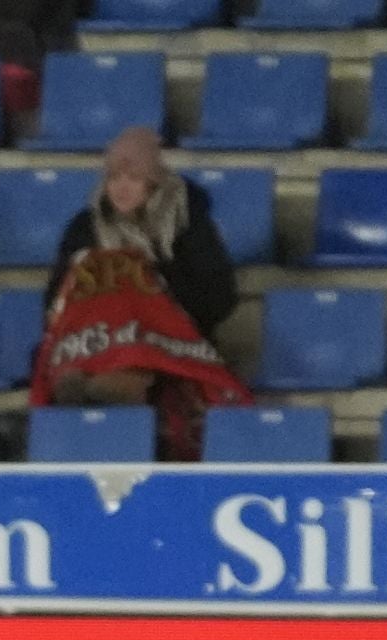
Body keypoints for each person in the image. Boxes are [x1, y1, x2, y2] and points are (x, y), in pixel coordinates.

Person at [35, 127, 245, 459]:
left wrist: (153, 283)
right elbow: (55, 299)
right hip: (96, 339)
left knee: (131, 289)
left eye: (133, 177)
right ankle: (104, 379)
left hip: (170, 341)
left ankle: (117, 381)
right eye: (114, 177)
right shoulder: (85, 227)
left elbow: (220, 295)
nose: (121, 187)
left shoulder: (187, 221)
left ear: (152, 181)